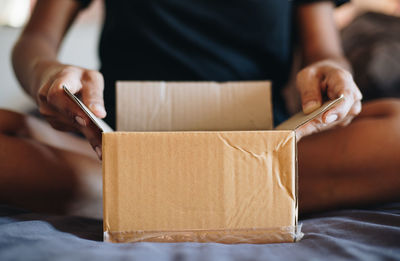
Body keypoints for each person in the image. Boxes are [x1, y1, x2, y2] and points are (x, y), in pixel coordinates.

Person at [1, 0, 399, 215]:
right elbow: (35, 41)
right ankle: (233, 199)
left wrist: (333, 72)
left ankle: (132, 196)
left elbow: (325, 52)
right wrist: (48, 73)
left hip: (260, 150)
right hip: (114, 146)